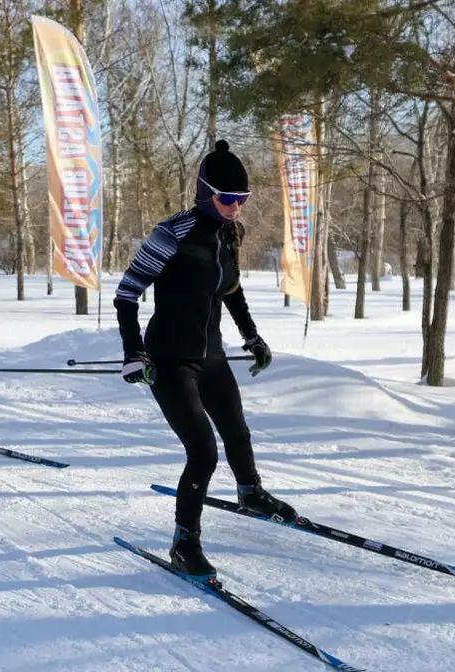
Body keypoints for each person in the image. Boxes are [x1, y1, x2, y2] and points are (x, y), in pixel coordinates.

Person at [114, 140, 293, 581]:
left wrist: (251, 336)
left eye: (242, 200)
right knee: (203, 452)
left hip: (211, 356)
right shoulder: (170, 234)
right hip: (170, 360)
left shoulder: (230, 234)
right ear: (204, 192)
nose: (235, 207)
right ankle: (184, 543)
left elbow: (229, 289)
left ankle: (250, 493)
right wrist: (133, 353)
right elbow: (126, 295)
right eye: (227, 198)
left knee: (238, 432)